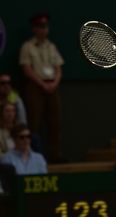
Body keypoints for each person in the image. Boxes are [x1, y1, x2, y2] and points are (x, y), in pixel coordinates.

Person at [19, 13, 64, 163]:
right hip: (35, 86)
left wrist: (54, 83)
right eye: (40, 27)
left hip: (52, 86)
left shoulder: (51, 46)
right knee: (34, 121)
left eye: (45, 26)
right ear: (34, 29)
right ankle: (33, 156)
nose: (44, 30)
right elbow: (27, 69)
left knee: (55, 122)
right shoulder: (28, 46)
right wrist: (42, 84)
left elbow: (58, 67)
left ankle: (55, 156)